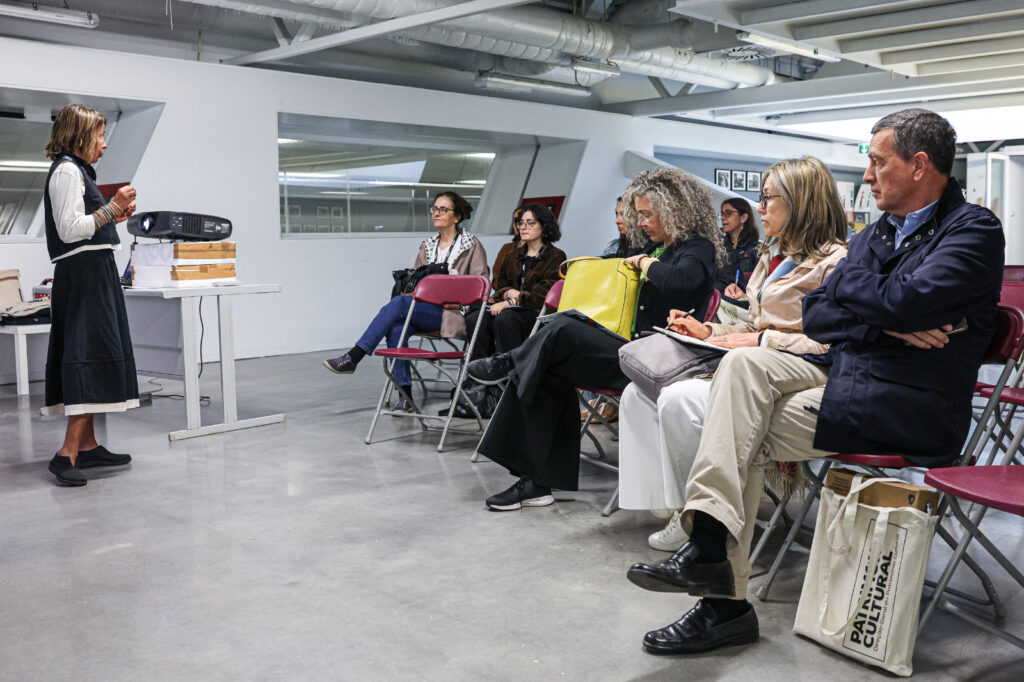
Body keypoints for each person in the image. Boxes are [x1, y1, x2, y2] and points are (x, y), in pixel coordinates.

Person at [625, 108, 1004, 656]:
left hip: (910, 406)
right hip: (852, 381)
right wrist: (891, 323)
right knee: (742, 366)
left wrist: (872, 306)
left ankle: (722, 602)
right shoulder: (877, 233)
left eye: (878, 162)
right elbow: (821, 312)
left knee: (739, 429)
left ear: (919, 166)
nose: (869, 176)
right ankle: (709, 548)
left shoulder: (973, 230)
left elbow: (899, 300)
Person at [616, 157, 848, 555]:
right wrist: (709, 330)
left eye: (767, 199)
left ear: (801, 203)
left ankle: (703, 518)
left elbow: (830, 344)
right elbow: (756, 325)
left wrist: (760, 343)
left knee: (677, 397)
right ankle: (674, 503)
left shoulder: (836, 262)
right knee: (636, 394)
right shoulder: (775, 256)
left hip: (800, 373)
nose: (759, 208)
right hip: (759, 364)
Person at [468, 166, 724, 511]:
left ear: (673, 210)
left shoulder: (697, 248)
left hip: (659, 360)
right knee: (549, 362)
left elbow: (681, 282)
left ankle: (511, 361)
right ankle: (537, 482)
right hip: (630, 349)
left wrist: (644, 262)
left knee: (558, 329)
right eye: (640, 215)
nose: (642, 222)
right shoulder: (655, 246)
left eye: (647, 214)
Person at [42, 104, 140, 487]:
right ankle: (66, 452)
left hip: (93, 273)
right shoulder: (67, 171)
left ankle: (88, 445)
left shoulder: (77, 171)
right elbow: (69, 230)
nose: (103, 144)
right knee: (86, 356)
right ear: (80, 136)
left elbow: (86, 225)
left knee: (95, 356)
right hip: (83, 276)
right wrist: (111, 209)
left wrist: (111, 215)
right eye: (99, 136)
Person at [323, 191, 489, 411]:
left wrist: (455, 298)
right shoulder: (427, 246)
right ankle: (405, 396)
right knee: (397, 329)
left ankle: (354, 356)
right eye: (435, 209)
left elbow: (481, 284)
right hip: (424, 310)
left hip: (453, 314)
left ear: (456, 217)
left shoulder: (471, 245)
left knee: (400, 304)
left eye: (443, 209)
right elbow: (418, 286)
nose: (436, 213)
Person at [481, 203, 566, 354]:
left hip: (537, 312)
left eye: (530, 223)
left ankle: (509, 369)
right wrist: (507, 294)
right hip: (511, 308)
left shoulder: (556, 256)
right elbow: (500, 285)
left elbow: (544, 294)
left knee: (506, 318)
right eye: (521, 223)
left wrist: (513, 300)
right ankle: (480, 370)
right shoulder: (513, 254)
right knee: (477, 317)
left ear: (544, 226)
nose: (523, 227)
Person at [714, 197, 760, 303]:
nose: (723, 218)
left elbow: (757, 286)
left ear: (743, 217)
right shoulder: (717, 246)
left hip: (742, 303)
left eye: (728, 213)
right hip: (718, 300)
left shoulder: (757, 250)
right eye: (722, 214)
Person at [491, 206, 524, 288]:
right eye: (515, 220)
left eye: (520, 220)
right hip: (503, 294)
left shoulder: (548, 252)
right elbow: (496, 278)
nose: (517, 224)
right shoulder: (506, 248)